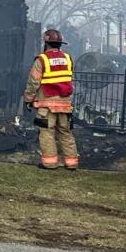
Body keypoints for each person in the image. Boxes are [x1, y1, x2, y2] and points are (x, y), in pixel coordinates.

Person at [23, 28, 79, 170]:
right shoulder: (68, 58)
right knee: (65, 132)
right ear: (60, 44)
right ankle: (71, 163)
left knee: (47, 132)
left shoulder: (42, 60)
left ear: (46, 43)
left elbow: (34, 82)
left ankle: (50, 163)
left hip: (47, 104)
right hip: (65, 104)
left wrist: (28, 99)